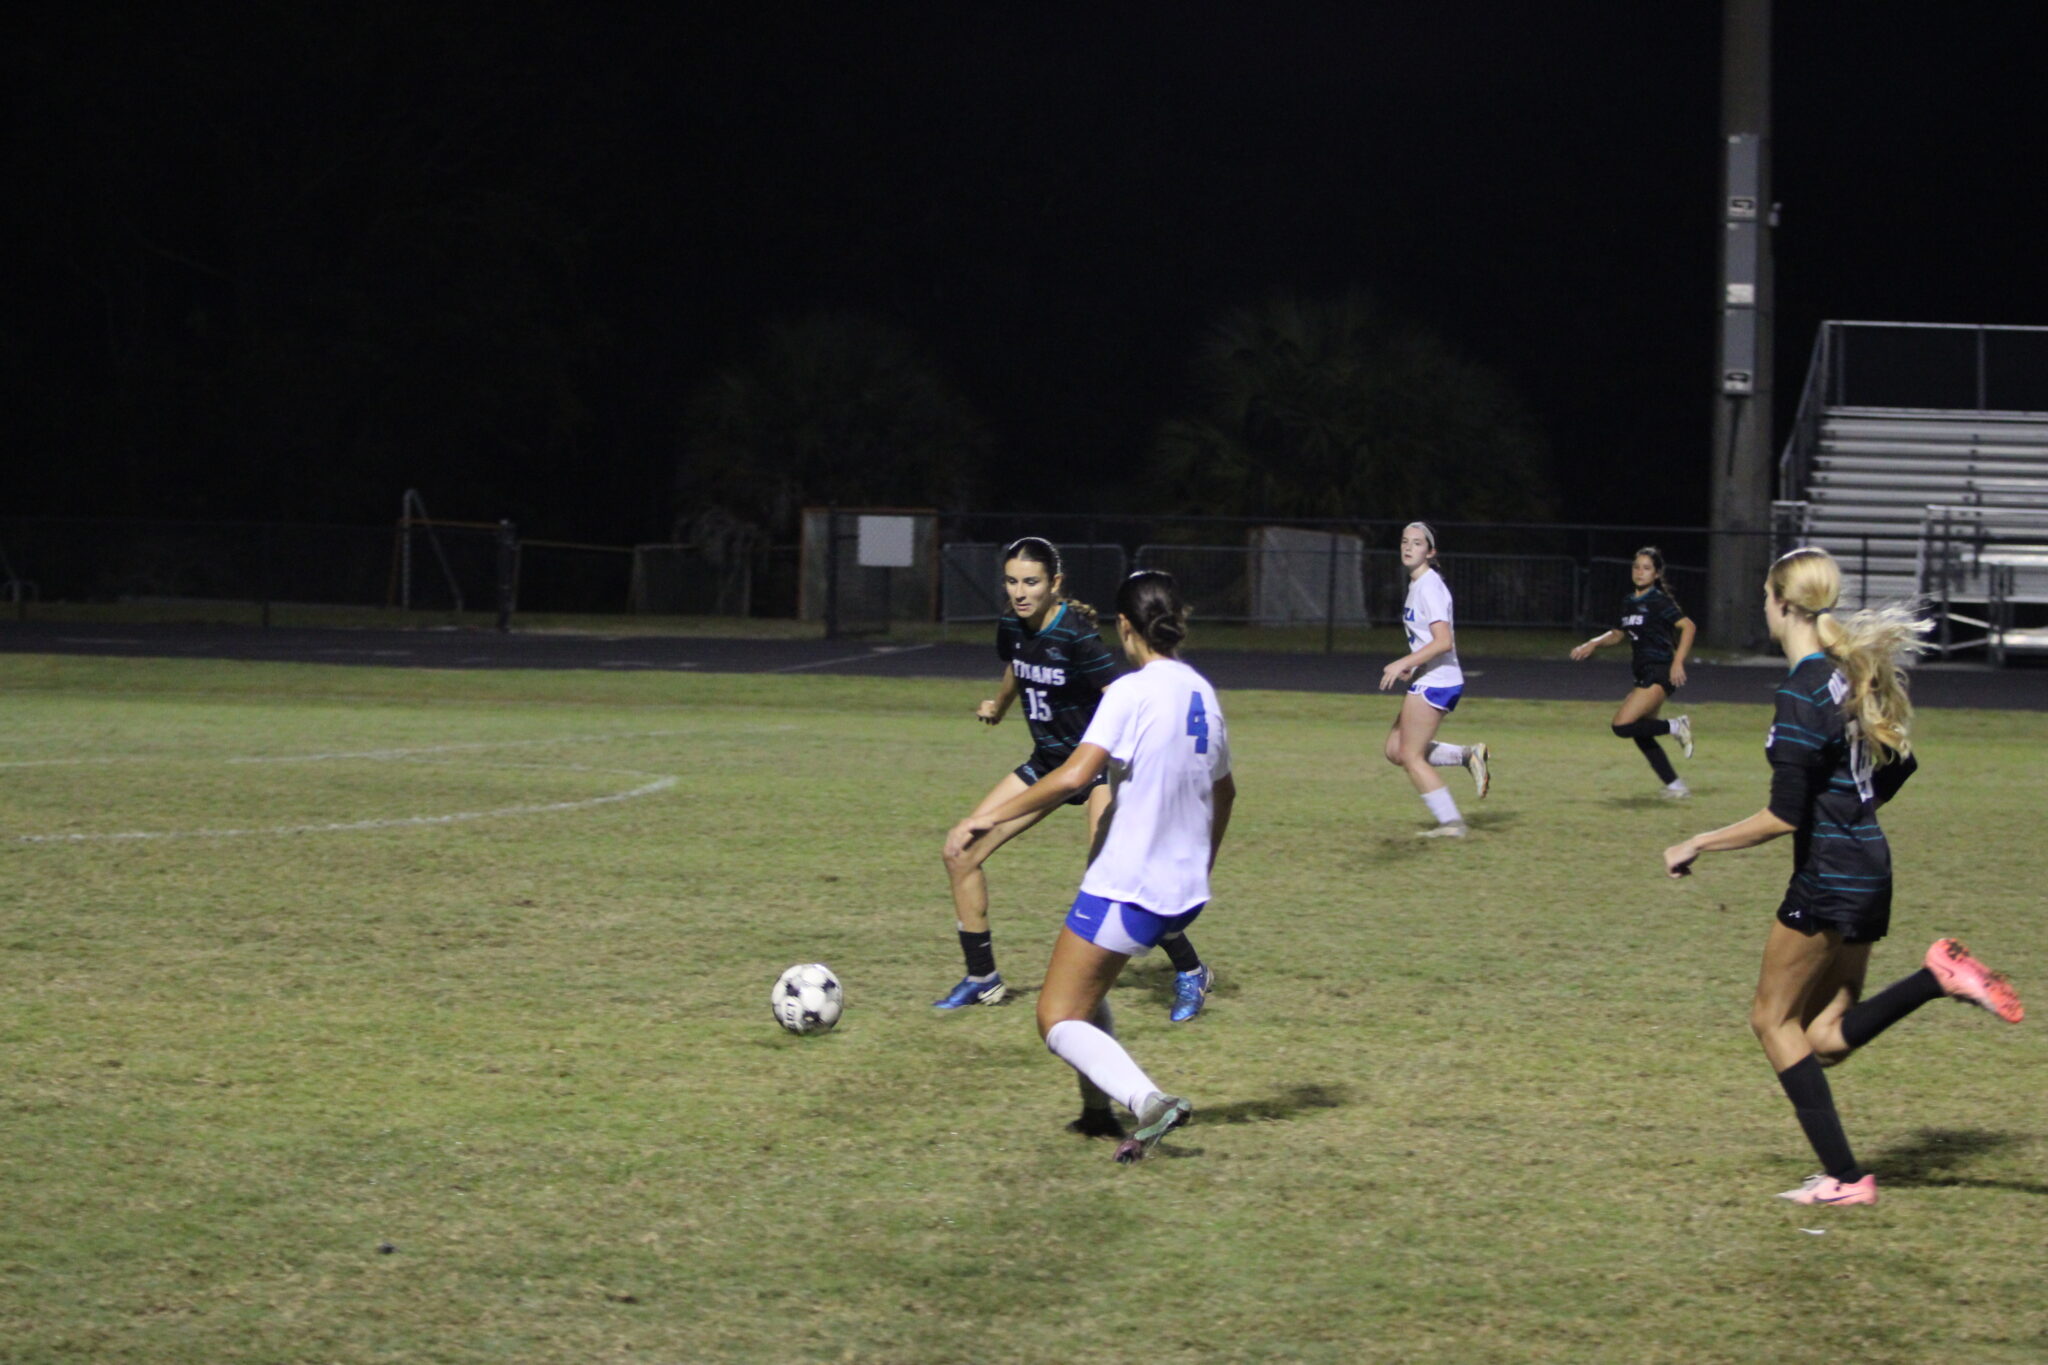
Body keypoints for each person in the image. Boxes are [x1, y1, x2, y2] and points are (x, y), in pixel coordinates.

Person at [1663, 547, 2025, 1207]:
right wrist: (1850, 812)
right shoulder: (1846, 675)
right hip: (1869, 868)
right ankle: (1936, 975)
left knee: (1772, 1021)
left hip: (1829, 877)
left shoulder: (1802, 689)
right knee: (1823, 1036)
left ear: (1780, 603)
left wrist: (1697, 840)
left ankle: (1847, 1178)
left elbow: (1781, 815)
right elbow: (1900, 763)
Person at [945, 570, 1235, 1159]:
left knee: (1054, 1017)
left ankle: (1150, 1102)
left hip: (1129, 883)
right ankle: (1096, 1113)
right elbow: (1225, 793)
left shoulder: (1130, 691)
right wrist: (1200, 862)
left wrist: (987, 818)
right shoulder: (1202, 692)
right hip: (1182, 889)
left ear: (1124, 628)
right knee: (1086, 986)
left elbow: (1075, 776)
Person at [937, 538, 1216, 1025]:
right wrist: (999, 707)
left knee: (1120, 884)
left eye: (1031, 582)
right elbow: (1016, 666)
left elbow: (1124, 695)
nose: (1019, 592)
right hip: (1048, 764)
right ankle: (983, 979)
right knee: (960, 852)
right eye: (1011, 581)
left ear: (1055, 584)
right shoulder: (1011, 625)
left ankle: (1191, 970)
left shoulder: (1078, 637)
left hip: (1095, 772)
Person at [1379, 522, 1489, 836]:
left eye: (1417, 542)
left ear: (1431, 551)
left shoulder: (1430, 586)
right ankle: (1467, 755)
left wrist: (1404, 661)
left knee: (1411, 756)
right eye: (1404, 541)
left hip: (1439, 680)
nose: (1408, 547)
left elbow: (1443, 642)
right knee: (1394, 750)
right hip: (1430, 676)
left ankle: (1452, 824)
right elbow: (1428, 641)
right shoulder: (1418, 585)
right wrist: (1413, 667)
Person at [1570, 546, 1698, 798]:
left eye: (1646, 568)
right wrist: (1593, 643)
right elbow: (1618, 634)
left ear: (1657, 573)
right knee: (1641, 731)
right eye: (1636, 567)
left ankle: (1676, 726)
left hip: (1659, 671)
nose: (1640, 572)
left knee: (1621, 726)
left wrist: (1678, 662)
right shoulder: (1630, 601)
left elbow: (1689, 626)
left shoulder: (1659, 601)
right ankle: (1675, 786)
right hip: (1643, 672)